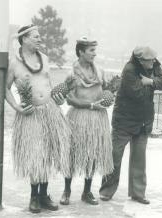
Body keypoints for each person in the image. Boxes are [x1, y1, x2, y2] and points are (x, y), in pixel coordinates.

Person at [5, 25, 71, 213]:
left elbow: (48, 84)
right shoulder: (15, 62)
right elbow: (6, 88)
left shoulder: (45, 59)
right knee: (36, 154)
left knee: (48, 153)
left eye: (39, 36)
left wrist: (59, 99)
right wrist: (17, 107)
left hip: (50, 111)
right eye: (36, 36)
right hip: (30, 114)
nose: (40, 39)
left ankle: (44, 195)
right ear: (24, 39)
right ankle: (34, 196)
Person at [99, 46, 162, 204]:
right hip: (124, 121)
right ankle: (106, 191)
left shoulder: (154, 65)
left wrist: (150, 81)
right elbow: (138, 93)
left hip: (143, 121)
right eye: (149, 60)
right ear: (139, 59)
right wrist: (153, 86)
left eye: (153, 59)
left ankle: (138, 194)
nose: (152, 62)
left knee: (139, 160)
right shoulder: (129, 69)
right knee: (114, 157)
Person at [53, 37, 114, 206]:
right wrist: (90, 104)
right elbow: (70, 99)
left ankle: (87, 192)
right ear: (81, 51)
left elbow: (107, 90)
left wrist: (109, 97)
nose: (95, 53)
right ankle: (67, 190)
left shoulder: (100, 71)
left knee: (93, 154)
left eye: (95, 50)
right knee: (72, 153)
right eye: (91, 50)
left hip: (98, 120)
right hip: (78, 117)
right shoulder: (72, 74)